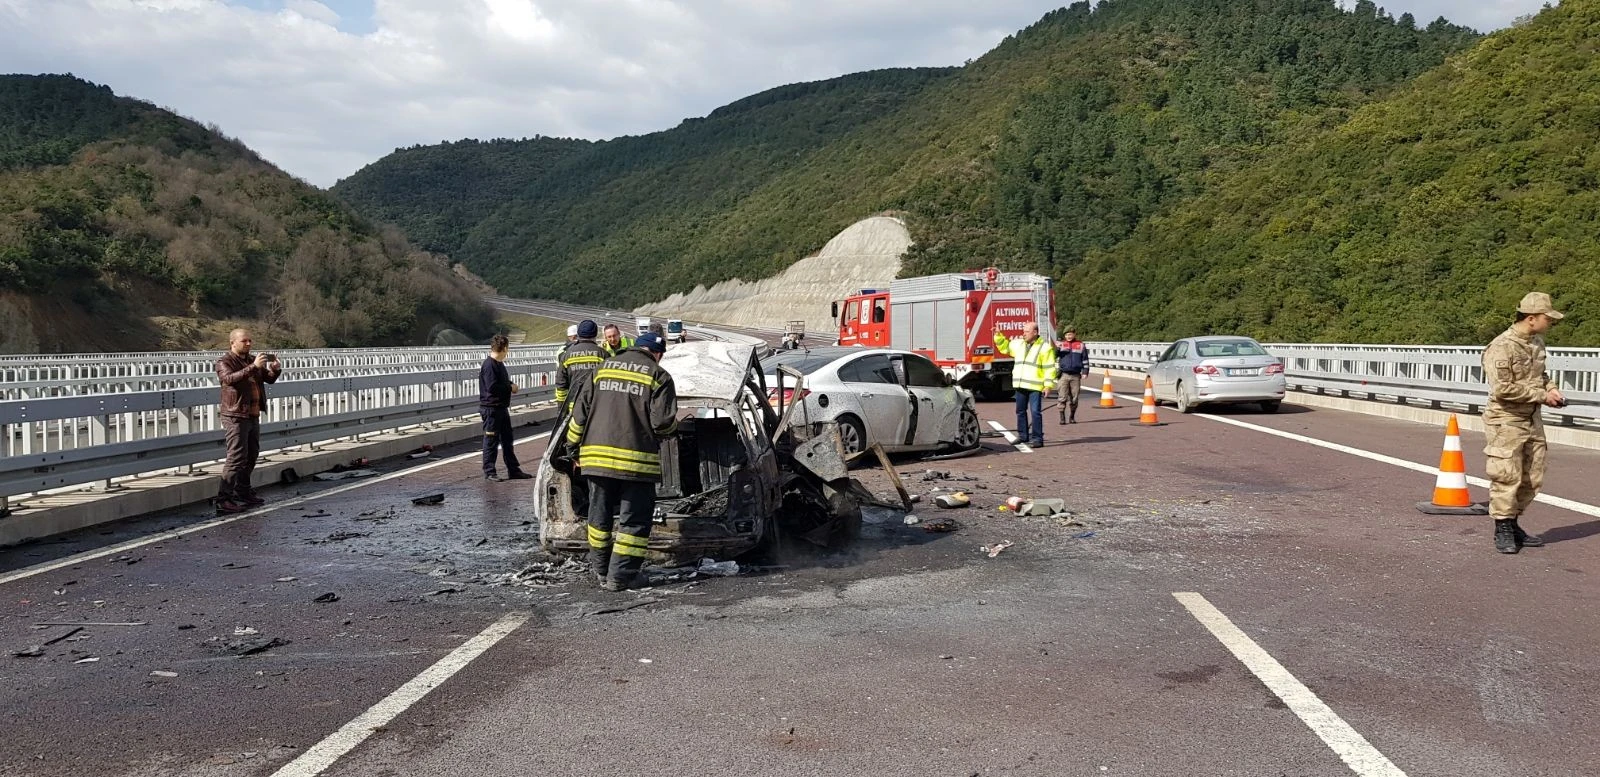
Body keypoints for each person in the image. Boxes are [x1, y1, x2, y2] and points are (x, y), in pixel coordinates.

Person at [566, 332, 678, 591]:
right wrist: (670, 431)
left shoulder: (601, 369)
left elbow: (578, 416)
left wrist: (573, 450)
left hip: (596, 459)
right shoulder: (658, 375)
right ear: (657, 354)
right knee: (633, 520)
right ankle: (621, 576)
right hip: (636, 463)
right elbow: (662, 423)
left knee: (599, 516)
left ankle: (602, 570)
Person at [1482, 292, 1566, 554]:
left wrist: (1551, 389)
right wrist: (1542, 395)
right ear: (1531, 318)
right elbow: (1502, 389)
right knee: (1506, 475)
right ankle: (1503, 527)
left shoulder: (1536, 343)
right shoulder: (1501, 346)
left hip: (1531, 418)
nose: (1549, 323)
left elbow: (1541, 375)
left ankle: (1513, 521)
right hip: (1506, 419)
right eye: (1546, 318)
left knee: (1533, 476)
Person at [214, 329, 282, 514]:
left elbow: (268, 379)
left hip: (252, 414)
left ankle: (242, 492)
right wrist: (253, 366)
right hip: (235, 415)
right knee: (236, 457)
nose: (249, 344)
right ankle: (223, 499)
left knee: (251, 454)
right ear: (232, 343)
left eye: (250, 340)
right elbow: (228, 379)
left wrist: (274, 369)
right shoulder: (224, 361)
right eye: (244, 341)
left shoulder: (252, 360)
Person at [994, 322, 1058, 448]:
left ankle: (1037, 439)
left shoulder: (1045, 348)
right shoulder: (1019, 344)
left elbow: (1049, 368)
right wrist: (998, 335)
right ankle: (1023, 436)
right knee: (1020, 411)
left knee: (1035, 412)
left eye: (1026, 332)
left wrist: (1048, 385)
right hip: (1020, 384)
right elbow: (1005, 347)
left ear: (1035, 333)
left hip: (1035, 386)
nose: (1023, 334)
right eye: (1023, 331)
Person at [479, 334, 532, 481]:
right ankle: (489, 471)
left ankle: (513, 469)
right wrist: (510, 387)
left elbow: (501, 381)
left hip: (501, 408)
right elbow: (492, 387)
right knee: (491, 440)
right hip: (491, 409)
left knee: (507, 440)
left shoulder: (499, 364)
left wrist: (509, 384)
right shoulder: (489, 365)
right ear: (505, 348)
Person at [555, 320, 606, 410]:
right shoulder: (603, 354)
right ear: (595, 334)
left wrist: (561, 408)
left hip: (573, 408)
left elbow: (561, 384)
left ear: (578, 334)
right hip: (596, 408)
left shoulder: (567, 355)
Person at [1055, 327, 1091, 425]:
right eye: (1067, 335)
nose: (1068, 336)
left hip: (1076, 375)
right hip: (1064, 375)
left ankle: (1072, 417)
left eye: (1070, 334)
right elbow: (1054, 355)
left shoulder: (1080, 345)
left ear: (1074, 334)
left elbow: (1085, 360)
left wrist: (1085, 372)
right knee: (1062, 397)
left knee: (1074, 398)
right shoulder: (1061, 345)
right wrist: (1057, 348)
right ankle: (1062, 418)